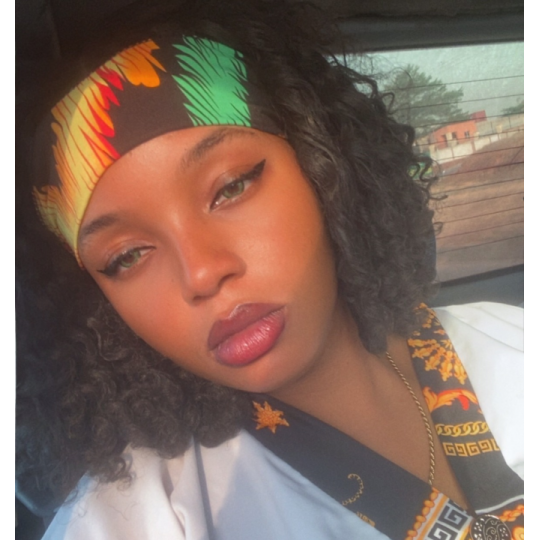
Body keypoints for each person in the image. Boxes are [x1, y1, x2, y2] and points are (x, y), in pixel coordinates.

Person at [16, 0, 523, 538]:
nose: (202, 273)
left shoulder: (511, 338)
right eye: (126, 256)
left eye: (232, 187)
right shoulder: (137, 517)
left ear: (323, 162)